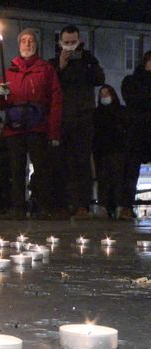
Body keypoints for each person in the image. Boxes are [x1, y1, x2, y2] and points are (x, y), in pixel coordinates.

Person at [0, 28, 62, 220]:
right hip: (14, 127)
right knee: (16, 169)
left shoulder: (45, 70)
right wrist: (1, 93)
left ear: (36, 45)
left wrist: (53, 131)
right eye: (24, 40)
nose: (27, 43)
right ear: (19, 45)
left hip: (37, 126)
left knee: (41, 168)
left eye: (31, 40)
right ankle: (18, 207)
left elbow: (55, 101)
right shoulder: (9, 71)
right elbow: (0, 104)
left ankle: (42, 205)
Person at [49, 25, 105, 219]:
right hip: (63, 119)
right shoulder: (54, 62)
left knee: (82, 162)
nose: (70, 47)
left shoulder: (88, 59)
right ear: (60, 43)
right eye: (67, 43)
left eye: (74, 42)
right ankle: (62, 205)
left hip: (83, 118)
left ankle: (83, 205)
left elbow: (99, 79)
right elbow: (49, 85)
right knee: (61, 163)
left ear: (79, 42)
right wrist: (61, 67)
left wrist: (86, 63)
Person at [120, 51, 151, 220]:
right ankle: (126, 206)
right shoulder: (132, 81)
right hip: (137, 130)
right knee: (131, 170)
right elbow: (133, 100)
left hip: (141, 127)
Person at [93, 85, 128, 219]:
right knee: (103, 179)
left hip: (117, 150)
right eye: (102, 94)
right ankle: (104, 206)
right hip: (102, 151)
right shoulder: (97, 113)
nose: (104, 97)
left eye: (106, 93)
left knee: (117, 179)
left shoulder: (120, 112)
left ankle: (118, 206)